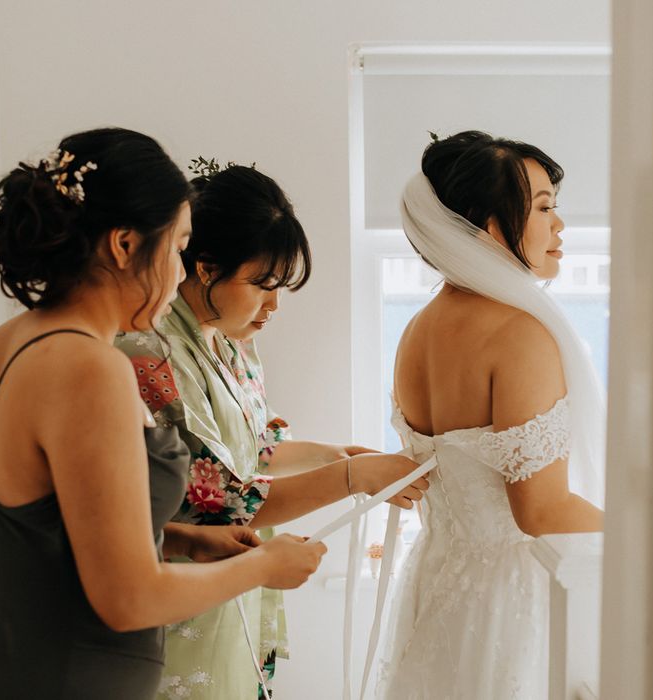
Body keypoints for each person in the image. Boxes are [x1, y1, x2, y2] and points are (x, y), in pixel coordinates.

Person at [0, 128, 327, 700]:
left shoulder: (7, 342)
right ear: (125, 246)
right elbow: (127, 600)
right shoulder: (90, 368)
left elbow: (49, 532)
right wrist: (262, 566)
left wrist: (183, 540)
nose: (181, 273)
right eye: (178, 248)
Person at [116, 163, 427, 699]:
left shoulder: (228, 341)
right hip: (181, 585)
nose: (273, 305)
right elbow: (222, 500)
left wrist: (328, 455)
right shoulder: (150, 353)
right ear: (206, 268)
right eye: (262, 285)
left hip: (231, 579)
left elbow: (253, 450)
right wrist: (352, 477)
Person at [375, 131, 606, 699]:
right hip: (511, 601)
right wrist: (647, 539)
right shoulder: (518, 334)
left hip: (439, 589)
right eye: (545, 207)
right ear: (487, 222)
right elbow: (541, 509)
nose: (560, 227)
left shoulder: (418, 330)